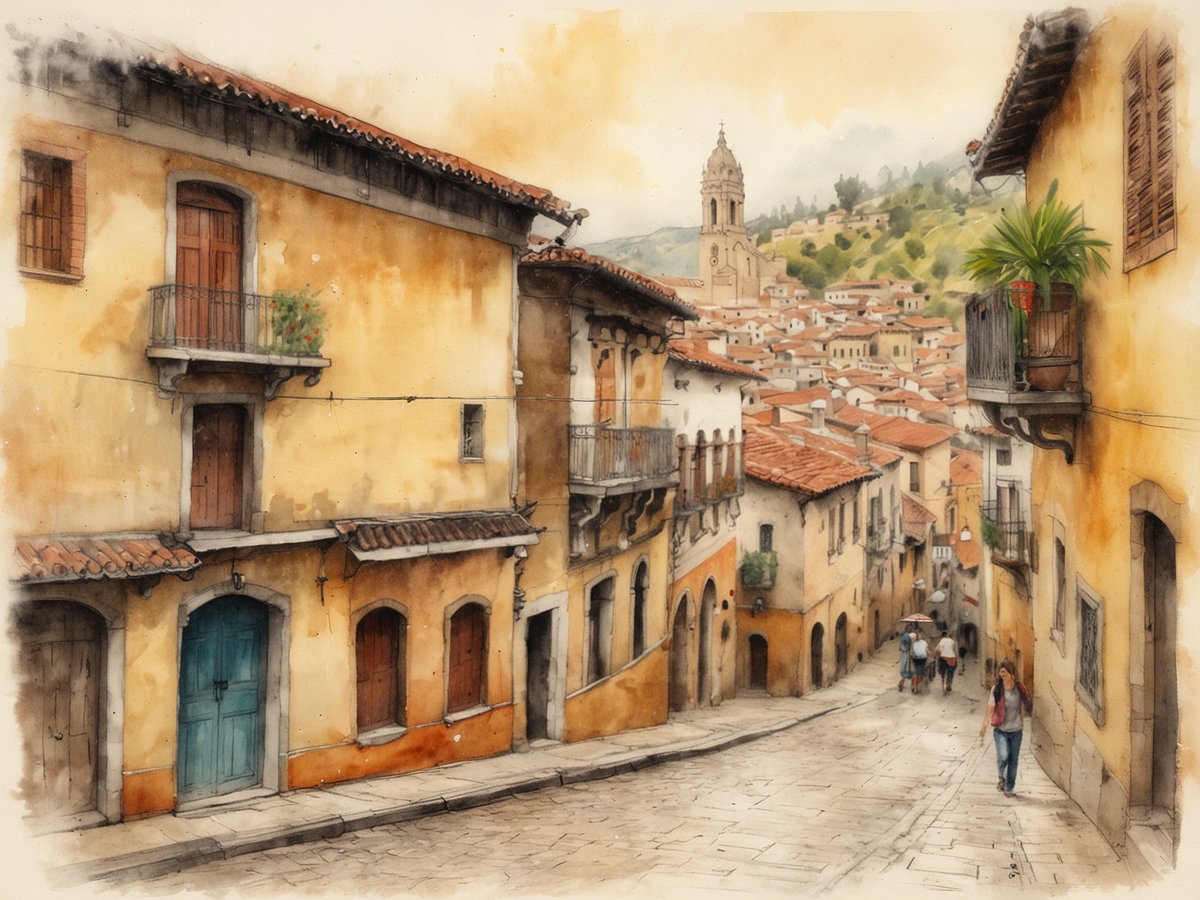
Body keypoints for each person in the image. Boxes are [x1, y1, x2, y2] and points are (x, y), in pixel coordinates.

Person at [980, 659, 1034, 797]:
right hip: (1001, 731)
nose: (1001, 673)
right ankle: (1001, 777)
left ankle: (1009, 787)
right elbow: (990, 708)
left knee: (1013, 760)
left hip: (1016, 730)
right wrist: (984, 726)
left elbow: (1028, 702)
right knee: (1003, 756)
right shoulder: (997, 689)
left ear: (1012, 673)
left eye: (1005, 671)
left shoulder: (1019, 688)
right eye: (1000, 671)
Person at [897, 626, 914, 691]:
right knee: (910, 668)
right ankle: (912, 685)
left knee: (905, 668)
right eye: (910, 629)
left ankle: (901, 682)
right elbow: (908, 645)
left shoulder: (903, 635)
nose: (911, 630)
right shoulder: (907, 636)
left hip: (904, 653)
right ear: (908, 629)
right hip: (907, 653)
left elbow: (900, 646)